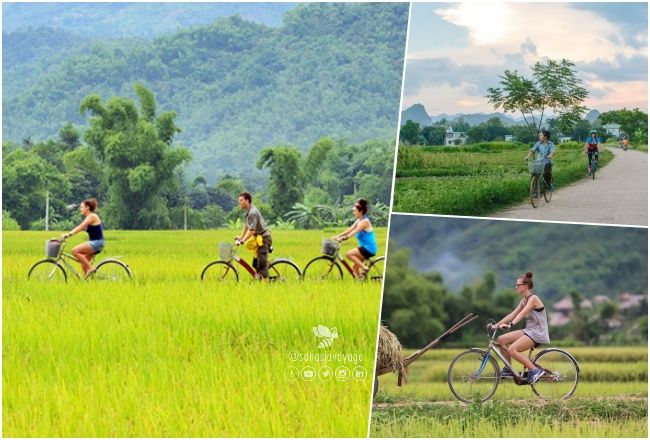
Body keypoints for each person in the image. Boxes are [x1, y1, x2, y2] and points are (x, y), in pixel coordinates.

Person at [491, 272, 550, 384]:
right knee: (501, 339)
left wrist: (510, 325)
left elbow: (522, 314)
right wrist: (496, 325)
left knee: (512, 349)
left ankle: (535, 370)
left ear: (526, 286)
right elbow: (512, 315)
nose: (516, 287)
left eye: (518, 285)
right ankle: (508, 368)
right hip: (529, 331)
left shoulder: (533, 299)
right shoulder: (523, 301)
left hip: (538, 333)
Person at [61, 198, 104, 278]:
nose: (80, 209)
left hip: (97, 243)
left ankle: (91, 268)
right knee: (84, 265)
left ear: (87, 207)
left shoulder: (92, 216)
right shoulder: (89, 217)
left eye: (82, 207)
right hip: (96, 243)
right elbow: (80, 229)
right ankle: (87, 283)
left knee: (75, 251)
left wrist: (68, 234)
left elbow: (80, 227)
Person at [335, 198, 377, 278]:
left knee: (348, 254)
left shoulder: (364, 222)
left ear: (360, 211)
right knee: (355, 268)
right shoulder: (359, 220)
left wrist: (345, 238)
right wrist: (339, 235)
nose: (354, 213)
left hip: (368, 249)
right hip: (364, 248)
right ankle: (360, 283)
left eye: (355, 211)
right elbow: (350, 229)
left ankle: (365, 268)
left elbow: (355, 231)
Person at [235, 192, 272, 282]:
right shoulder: (248, 212)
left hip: (264, 239)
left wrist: (242, 241)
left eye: (241, 200)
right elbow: (246, 226)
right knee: (255, 263)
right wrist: (241, 237)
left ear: (247, 200)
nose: (239, 202)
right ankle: (259, 280)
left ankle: (266, 287)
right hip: (258, 239)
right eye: (239, 200)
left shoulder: (252, 213)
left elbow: (252, 231)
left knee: (262, 264)